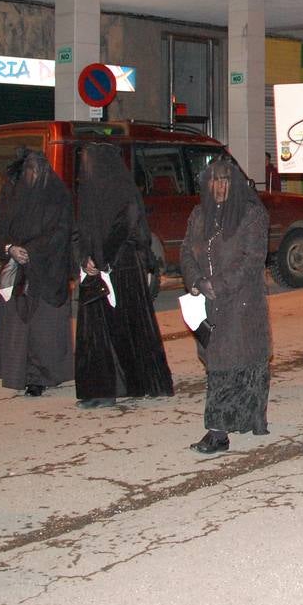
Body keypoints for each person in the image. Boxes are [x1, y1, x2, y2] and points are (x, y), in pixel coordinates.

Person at [180, 159, 271, 453]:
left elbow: (251, 259)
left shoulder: (251, 215)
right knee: (220, 361)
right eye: (214, 180)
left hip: (241, 303)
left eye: (225, 180)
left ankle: (218, 433)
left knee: (230, 365)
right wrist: (196, 281)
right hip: (208, 301)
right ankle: (242, 419)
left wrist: (217, 285)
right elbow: (185, 251)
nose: (219, 187)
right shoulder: (198, 215)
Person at [74, 143, 174, 408]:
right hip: (97, 271)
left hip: (122, 268)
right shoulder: (88, 195)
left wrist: (102, 258)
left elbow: (126, 226)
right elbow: (81, 232)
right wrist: (85, 259)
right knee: (96, 334)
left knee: (127, 329)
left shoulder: (123, 193)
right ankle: (100, 389)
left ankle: (135, 382)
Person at [0, 149, 74, 397]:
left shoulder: (57, 195)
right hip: (18, 271)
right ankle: (21, 374)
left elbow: (62, 231)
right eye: (29, 170)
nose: (33, 175)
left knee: (43, 329)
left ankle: (41, 376)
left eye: (38, 170)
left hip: (48, 272)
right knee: (19, 328)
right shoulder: (12, 194)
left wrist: (33, 250)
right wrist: (10, 249)